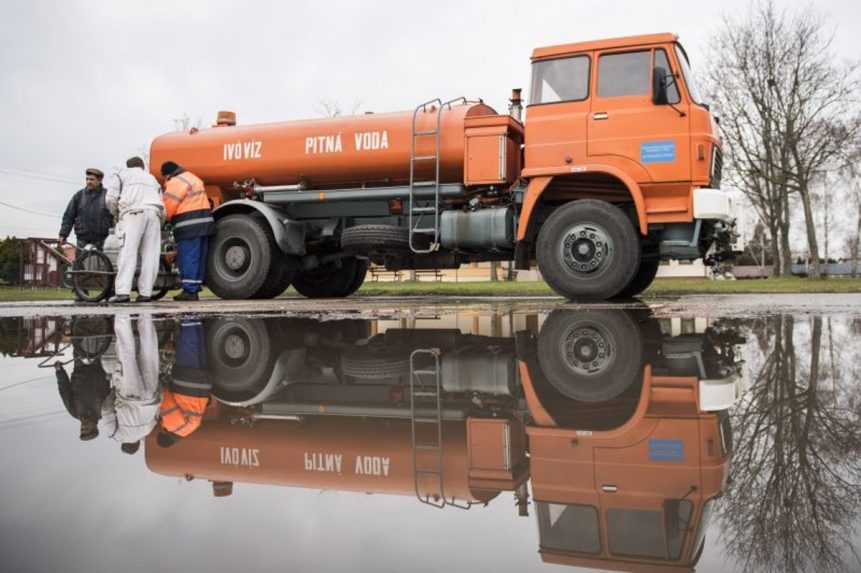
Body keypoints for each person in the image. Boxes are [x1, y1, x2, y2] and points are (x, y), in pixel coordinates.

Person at [105, 157, 164, 303]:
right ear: (142, 166)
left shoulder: (121, 175)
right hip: (154, 214)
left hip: (132, 214)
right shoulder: (152, 179)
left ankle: (123, 292)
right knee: (151, 255)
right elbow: (163, 205)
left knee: (127, 252)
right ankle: (145, 293)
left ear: (128, 166)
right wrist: (159, 221)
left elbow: (110, 199)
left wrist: (117, 214)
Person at [101, 314, 162, 455]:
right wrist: (113, 394)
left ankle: (145, 315)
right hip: (128, 394)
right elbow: (106, 410)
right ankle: (123, 314)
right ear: (124, 444)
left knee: (149, 351)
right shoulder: (116, 435)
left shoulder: (148, 430)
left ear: (137, 443)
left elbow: (158, 408)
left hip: (150, 395)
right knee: (126, 352)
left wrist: (158, 387)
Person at [160, 161, 215, 302]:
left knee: (188, 257)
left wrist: (164, 219)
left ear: (168, 174)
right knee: (199, 257)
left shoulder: (175, 182)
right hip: (205, 223)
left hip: (189, 225)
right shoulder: (192, 177)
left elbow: (169, 206)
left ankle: (189, 290)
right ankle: (194, 288)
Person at [157, 317, 212, 447]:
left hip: (203, 385)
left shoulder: (189, 430)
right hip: (187, 383)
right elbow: (166, 399)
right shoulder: (171, 426)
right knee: (188, 347)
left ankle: (196, 322)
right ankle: (189, 318)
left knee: (198, 347)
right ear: (163, 434)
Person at [55, 354, 111, 442]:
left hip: (79, 366)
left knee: (78, 341)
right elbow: (114, 392)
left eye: (82, 429)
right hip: (100, 365)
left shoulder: (74, 412)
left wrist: (59, 372)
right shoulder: (104, 412)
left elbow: (64, 391)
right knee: (101, 341)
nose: (83, 426)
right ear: (95, 427)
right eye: (87, 429)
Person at [58, 168, 113, 250]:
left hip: (102, 239)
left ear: (100, 180)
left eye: (92, 179)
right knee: (81, 262)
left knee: (102, 262)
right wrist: (63, 234)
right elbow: (69, 216)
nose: (88, 182)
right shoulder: (79, 196)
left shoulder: (108, 195)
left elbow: (115, 215)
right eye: (87, 179)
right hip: (82, 239)